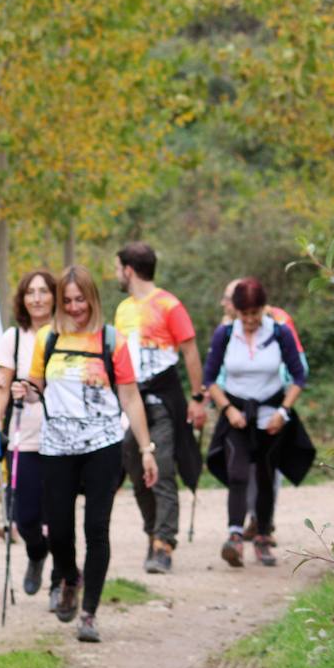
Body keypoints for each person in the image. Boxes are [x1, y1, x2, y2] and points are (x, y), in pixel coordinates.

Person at [20, 265, 157, 643]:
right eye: (67, 300)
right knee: (60, 530)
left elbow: (130, 396)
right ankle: (69, 577)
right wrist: (24, 391)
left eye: (81, 299)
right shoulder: (48, 337)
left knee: (96, 528)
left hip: (102, 446)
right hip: (57, 446)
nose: (75, 306)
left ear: (93, 299)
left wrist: (146, 449)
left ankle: (89, 613)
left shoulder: (110, 340)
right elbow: (36, 387)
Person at [203, 277, 314, 568]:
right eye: (245, 314)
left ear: (264, 309)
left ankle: (263, 537)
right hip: (236, 413)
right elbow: (210, 378)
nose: (250, 320)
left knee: (266, 475)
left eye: (255, 313)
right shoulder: (225, 334)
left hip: (271, 414)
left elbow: (298, 376)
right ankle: (235, 537)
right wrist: (227, 409)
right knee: (237, 473)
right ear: (236, 312)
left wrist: (283, 412)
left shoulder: (279, 333)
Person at [113, 242, 206, 574]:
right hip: (131, 402)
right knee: (135, 468)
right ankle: (153, 530)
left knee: (163, 467)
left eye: (117, 268)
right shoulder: (122, 309)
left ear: (128, 269)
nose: (116, 274)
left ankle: (165, 543)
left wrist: (197, 398)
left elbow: (191, 351)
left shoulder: (169, 304)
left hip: (164, 400)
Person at [0, 269, 63, 607]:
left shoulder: (67, 334)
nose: (37, 298)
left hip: (63, 438)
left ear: (55, 296)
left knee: (60, 515)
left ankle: (60, 582)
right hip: (25, 436)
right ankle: (37, 553)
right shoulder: (14, 338)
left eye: (44, 291)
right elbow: (4, 384)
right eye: (30, 292)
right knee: (26, 517)